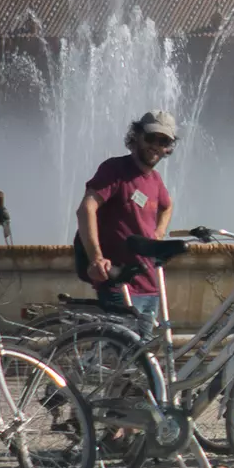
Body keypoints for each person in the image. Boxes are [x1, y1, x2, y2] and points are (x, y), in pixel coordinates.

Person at [75, 111, 177, 321]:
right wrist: (96, 258)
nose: (155, 146)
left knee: (143, 342)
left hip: (150, 284)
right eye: (151, 137)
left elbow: (167, 206)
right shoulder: (115, 169)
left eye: (163, 141)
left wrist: (158, 233)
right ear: (137, 135)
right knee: (120, 341)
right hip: (119, 282)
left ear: (168, 147)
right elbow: (86, 209)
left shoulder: (155, 179)